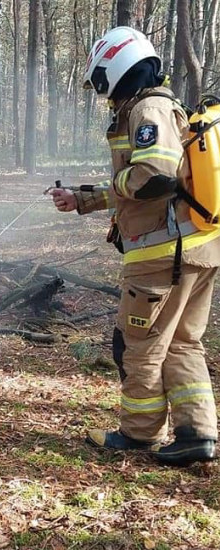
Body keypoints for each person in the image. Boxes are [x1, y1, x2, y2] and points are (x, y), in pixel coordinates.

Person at [50, 26, 220, 466]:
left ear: (115, 67)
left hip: (162, 255)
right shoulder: (160, 106)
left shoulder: (148, 108)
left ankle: (139, 433)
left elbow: (153, 176)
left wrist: (113, 184)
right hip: (195, 249)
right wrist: (83, 199)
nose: (102, 92)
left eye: (100, 80)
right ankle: (196, 434)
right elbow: (148, 183)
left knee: (138, 343)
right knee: (182, 342)